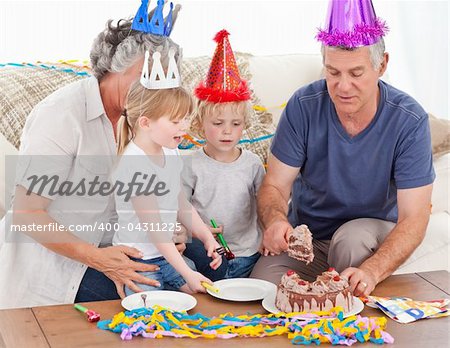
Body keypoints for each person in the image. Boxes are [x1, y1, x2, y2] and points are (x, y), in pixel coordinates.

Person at [0, 0, 185, 308]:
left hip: (117, 248)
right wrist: (100, 259)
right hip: (55, 267)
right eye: (147, 76)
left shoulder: (146, 119)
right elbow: (26, 214)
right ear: (117, 67)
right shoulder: (61, 116)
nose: (156, 91)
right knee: (160, 303)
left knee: (196, 275)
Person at [250, 0, 435, 297]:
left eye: (356, 74)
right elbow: (274, 185)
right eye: (333, 73)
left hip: (368, 238)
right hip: (309, 240)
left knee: (351, 240)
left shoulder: (408, 120)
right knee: (263, 290)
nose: (343, 86)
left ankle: (345, 316)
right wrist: (275, 221)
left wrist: (373, 270)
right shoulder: (303, 105)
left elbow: (414, 217)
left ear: (382, 65)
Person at [113, 74, 222, 295]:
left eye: (186, 119)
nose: (184, 127)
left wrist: (206, 236)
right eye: (175, 121)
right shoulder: (136, 164)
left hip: (166, 255)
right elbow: (155, 231)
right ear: (145, 123)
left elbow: (181, 202)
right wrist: (187, 273)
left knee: (201, 297)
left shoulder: (170, 150)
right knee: (152, 314)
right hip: (138, 260)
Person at [182, 30, 265, 279]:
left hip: (249, 254)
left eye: (236, 124)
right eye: (218, 123)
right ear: (200, 122)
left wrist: (266, 236)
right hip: (208, 256)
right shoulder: (191, 164)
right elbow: (179, 207)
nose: (227, 132)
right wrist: (197, 230)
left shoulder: (252, 164)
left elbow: (264, 206)